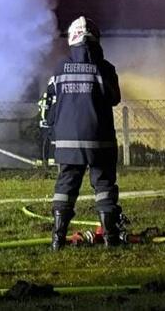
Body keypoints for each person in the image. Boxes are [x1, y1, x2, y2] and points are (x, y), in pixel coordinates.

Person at [49, 16, 123, 250]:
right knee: (104, 186)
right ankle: (111, 239)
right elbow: (114, 98)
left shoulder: (59, 68)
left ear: (72, 39)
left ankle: (57, 240)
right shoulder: (105, 68)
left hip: (67, 141)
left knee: (65, 188)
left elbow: (51, 103)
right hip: (99, 140)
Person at [36, 76, 57, 167]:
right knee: (50, 141)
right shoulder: (51, 96)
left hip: (46, 121)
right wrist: (48, 121)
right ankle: (47, 161)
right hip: (49, 122)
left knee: (45, 141)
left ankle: (43, 161)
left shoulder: (47, 95)